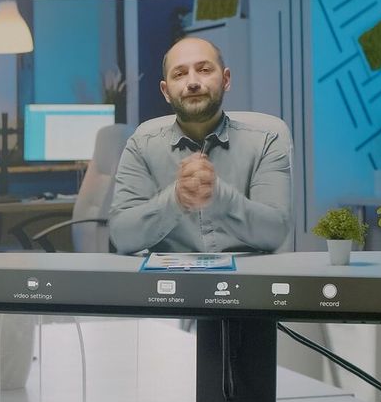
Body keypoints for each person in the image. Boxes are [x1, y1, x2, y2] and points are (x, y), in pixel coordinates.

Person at [109, 36, 292, 254]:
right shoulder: (142, 145)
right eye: (180, 74)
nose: (193, 82)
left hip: (245, 280)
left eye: (204, 70)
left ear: (226, 79)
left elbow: (275, 233)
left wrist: (220, 196)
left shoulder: (266, 139)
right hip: (168, 282)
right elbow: (122, 237)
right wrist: (176, 198)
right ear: (166, 91)